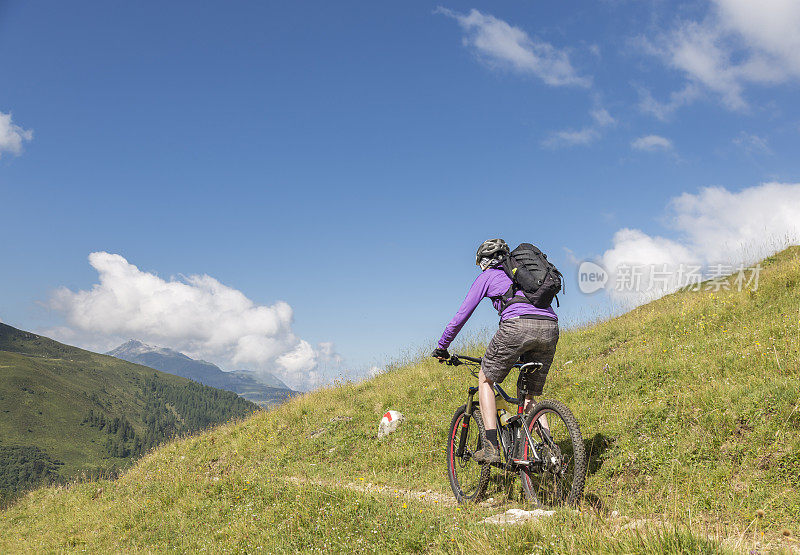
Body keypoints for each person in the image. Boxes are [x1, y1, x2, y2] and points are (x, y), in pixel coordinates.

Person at [432, 238, 559, 464]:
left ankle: (491, 446)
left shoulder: (487, 276)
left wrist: (442, 347)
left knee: (485, 378)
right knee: (529, 395)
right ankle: (549, 451)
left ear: (483, 262)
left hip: (516, 326)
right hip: (550, 327)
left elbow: (461, 316)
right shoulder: (523, 274)